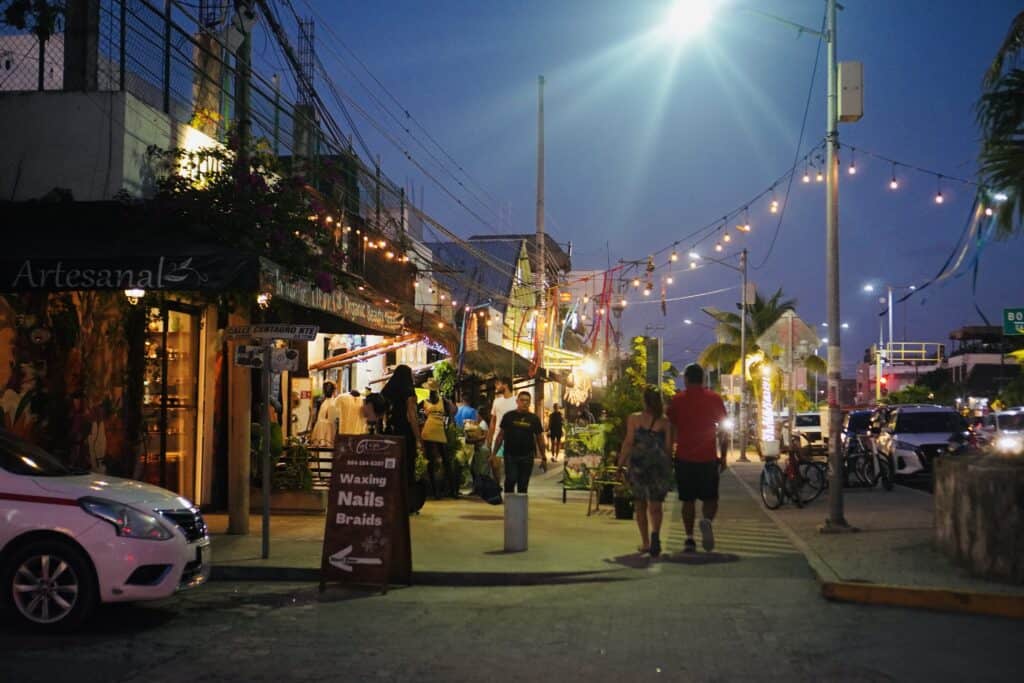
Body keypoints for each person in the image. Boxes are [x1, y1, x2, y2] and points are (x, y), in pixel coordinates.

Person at [667, 363, 727, 553]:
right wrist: (723, 456)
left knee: (687, 500)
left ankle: (689, 538)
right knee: (711, 498)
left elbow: (671, 428)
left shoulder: (677, 400)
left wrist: (669, 454)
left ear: (685, 380)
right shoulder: (714, 398)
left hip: (684, 457)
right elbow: (724, 430)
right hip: (707, 457)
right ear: (703, 379)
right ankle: (707, 521)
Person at [618, 388, 673, 557]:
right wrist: (668, 467)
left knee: (640, 504)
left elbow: (628, 442)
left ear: (644, 401)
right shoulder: (665, 422)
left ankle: (645, 543)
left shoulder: (634, 419)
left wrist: (620, 464)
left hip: (638, 466)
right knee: (655, 504)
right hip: (657, 467)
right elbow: (669, 448)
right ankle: (655, 533)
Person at [381, 365, 423, 507]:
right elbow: (412, 415)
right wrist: (418, 437)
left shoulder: (387, 390)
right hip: (404, 432)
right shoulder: (408, 391)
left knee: (391, 467)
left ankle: (389, 500)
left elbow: (382, 413)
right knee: (406, 466)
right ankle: (405, 502)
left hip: (390, 432)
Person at [493, 391, 546, 494]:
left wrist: (543, 457)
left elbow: (540, 438)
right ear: (517, 401)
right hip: (510, 455)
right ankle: (510, 508)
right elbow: (500, 436)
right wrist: (494, 454)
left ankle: (520, 509)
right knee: (510, 480)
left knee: (523, 485)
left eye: (527, 401)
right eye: (522, 400)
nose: (524, 403)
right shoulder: (508, 416)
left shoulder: (534, 419)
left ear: (529, 403)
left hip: (527, 456)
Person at [420, 379, 456, 499]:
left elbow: (452, 412)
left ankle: (443, 491)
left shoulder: (438, 401)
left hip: (434, 429)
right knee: (440, 460)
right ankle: (446, 491)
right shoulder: (435, 401)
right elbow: (452, 413)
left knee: (438, 460)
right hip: (433, 430)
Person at [485, 376, 518, 456]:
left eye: (498, 384)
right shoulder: (496, 401)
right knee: (495, 466)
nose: (496, 387)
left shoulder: (517, 401)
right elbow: (492, 422)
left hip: (513, 441)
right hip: (497, 439)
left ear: (505, 385)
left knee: (509, 467)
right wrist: (489, 440)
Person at [309, 381, 338, 448]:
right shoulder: (329, 402)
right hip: (326, 426)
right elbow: (331, 419)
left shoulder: (323, 401)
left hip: (324, 426)